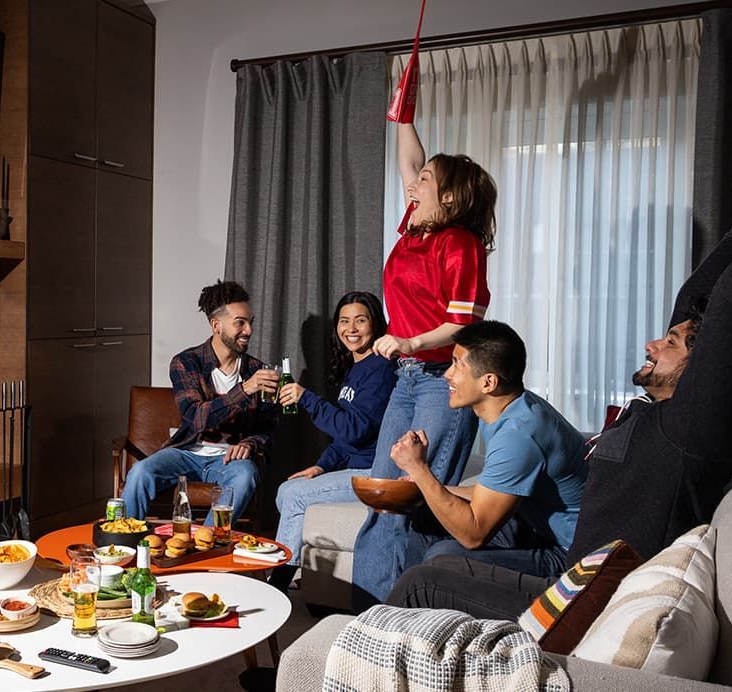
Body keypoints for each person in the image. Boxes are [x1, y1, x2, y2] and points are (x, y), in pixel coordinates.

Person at [387, 106, 732, 618]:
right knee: (433, 541)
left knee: (421, 584)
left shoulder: (692, 427)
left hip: (586, 591)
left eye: (672, 344)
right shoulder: (665, 413)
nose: (652, 345)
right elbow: (699, 297)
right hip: (565, 553)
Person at [352, 118, 498, 608]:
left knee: (416, 501)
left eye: (426, 180)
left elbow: (464, 326)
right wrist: (403, 116)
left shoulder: (460, 244)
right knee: (382, 494)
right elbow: (409, 161)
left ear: (450, 198)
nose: (413, 184)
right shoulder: (415, 228)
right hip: (409, 379)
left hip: (443, 381)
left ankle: (409, 618)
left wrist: (409, 341)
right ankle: (363, 618)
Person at [384, 320, 588, 582]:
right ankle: (406, 611)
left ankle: (412, 608)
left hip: (567, 554)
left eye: (458, 365)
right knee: (424, 511)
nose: (447, 374)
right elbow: (487, 495)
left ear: (488, 382)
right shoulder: (509, 411)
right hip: (533, 527)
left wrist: (419, 468)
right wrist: (420, 486)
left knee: (444, 557)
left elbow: (473, 534)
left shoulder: (518, 434)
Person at [121, 280, 280, 523]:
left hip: (229, 459)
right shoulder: (186, 362)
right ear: (216, 325)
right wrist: (245, 389)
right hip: (186, 451)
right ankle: (127, 544)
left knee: (245, 477)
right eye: (240, 322)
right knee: (140, 472)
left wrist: (250, 443)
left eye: (250, 322)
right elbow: (195, 417)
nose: (248, 330)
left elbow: (268, 427)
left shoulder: (257, 370)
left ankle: (205, 544)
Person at [268, 292, 395, 588]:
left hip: (373, 473)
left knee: (293, 495)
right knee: (288, 489)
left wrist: (307, 399)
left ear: (375, 325)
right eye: (344, 321)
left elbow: (355, 430)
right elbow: (345, 435)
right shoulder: (356, 368)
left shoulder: (381, 369)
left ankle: (279, 580)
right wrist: (322, 466)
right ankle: (290, 573)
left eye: (360, 320)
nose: (351, 328)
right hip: (356, 467)